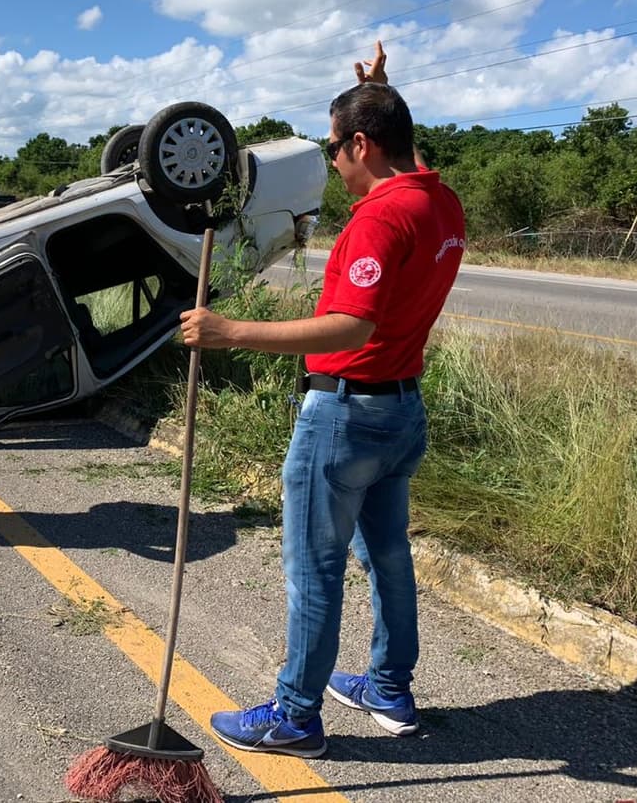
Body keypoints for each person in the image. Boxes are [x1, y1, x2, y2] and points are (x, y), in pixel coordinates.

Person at [181, 43, 465, 756]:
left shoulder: (377, 217)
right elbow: (408, 147)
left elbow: (351, 323)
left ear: (362, 144)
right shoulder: (439, 198)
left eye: (336, 149)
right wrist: (380, 91)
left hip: (346, 414)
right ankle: (388, 686)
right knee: (388, 557)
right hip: (401, 412)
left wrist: (229, 330)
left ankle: (295, 716)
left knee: (314, 569)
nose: (334, 166)